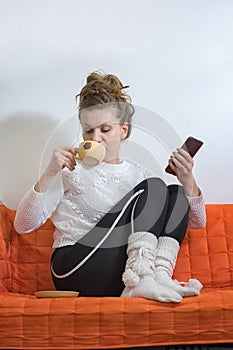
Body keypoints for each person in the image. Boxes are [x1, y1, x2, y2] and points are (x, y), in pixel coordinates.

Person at [14, 71, 206, 303]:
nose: (95, 138)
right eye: (88, 130)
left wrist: (188, 181)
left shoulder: (140, 177)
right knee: (155, 187)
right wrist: (50, 172)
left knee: (174, 192)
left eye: (105, 130)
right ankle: (144, 277)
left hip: (119, 275)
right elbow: (23, 225)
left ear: (123, 130)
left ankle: (158, 276)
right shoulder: (70, 170)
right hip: (75, 268)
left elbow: (196, 222)